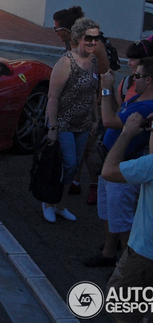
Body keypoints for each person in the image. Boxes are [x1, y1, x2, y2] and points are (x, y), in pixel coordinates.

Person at [84, 57, 153, 268]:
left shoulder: (148, 105)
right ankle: (108, 252)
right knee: (108, 211)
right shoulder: (138, 99)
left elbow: (109, 121)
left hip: (124, 166)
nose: (133, 80)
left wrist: (105, 90)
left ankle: (125, 264)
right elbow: (117, 111)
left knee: (122, 218)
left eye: (137, 76)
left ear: (149, 80)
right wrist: (112, 89)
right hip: (111, 161)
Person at [43, 18, 100, 223]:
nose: (94, 42)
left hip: (83, 124)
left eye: (96, 38)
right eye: (89, 38)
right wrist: (53, 127)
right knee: (67, 164)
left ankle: (61, 205)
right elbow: (53, 97)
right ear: (78, 38)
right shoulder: (66, 62)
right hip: (64, 123)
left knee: (74, 167)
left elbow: (92, 92)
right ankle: (48, 202)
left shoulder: (93, 61)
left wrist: (95, 118)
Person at [101, 112, 153, 323]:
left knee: (121, 307)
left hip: (145, 253)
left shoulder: (149, 165)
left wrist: (126, 134)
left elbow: (109, 171)